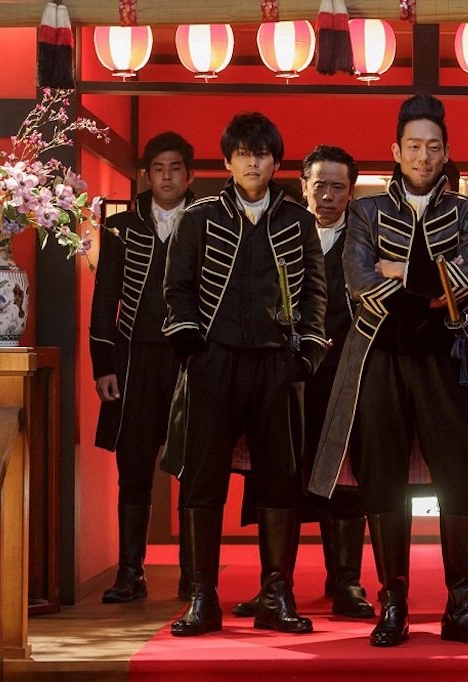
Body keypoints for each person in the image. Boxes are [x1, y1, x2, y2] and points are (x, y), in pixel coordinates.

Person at [309, 94, 468, 648]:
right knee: (383, 476)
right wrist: (430, 279)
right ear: (396, 151)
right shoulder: (366, 211)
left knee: (460, 476)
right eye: (413, 146)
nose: (423, 156)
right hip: (379, 357)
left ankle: (460, 605)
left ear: (446, 152)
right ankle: (392, 603)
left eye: (433, 147)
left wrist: (398, 268)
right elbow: (360, 284)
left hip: (448, 358)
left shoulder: (464, 212)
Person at [162, 112, 329, 637]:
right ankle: (202, 597)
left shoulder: (297, 219)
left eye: (261, 154)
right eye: (243, 154)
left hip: (276, 363)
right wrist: (193, 349)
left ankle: (276, 596)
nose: (253, 163)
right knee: (203, 479)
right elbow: (177, 289)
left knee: (280, 482)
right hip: (214, 361)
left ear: (276, 162)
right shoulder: (200, 217)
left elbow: (316, 293)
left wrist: (306, 354)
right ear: (228, 161)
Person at [232, 145, 374, 620]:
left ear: (351, 191)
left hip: (346, 375)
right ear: (304, 185)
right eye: (320, 186)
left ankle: (347, 582)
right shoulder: (282, 230)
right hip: (285, 374)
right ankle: (275, 587)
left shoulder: (366, 239)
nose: (328, 195)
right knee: (278, 479)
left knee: (345, 478)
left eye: (338, 187)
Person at [89, 131, 195, 604]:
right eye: (158, 169)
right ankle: (130, 573)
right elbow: (104, 300)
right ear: (147, 176)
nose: (167, 177)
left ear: (189, 176)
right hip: (133, 362)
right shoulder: (121, 228)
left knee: (194, 468)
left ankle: (194, 575)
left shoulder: (208, 221)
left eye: (175, 168)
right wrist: (103, 365)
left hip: (190, 360)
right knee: (132, 468)